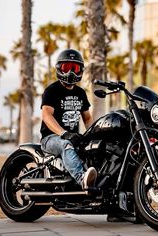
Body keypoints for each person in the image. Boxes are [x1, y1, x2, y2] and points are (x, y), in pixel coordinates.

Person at [40, 49, 97, 192]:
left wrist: (94, 136)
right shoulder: (52, 90)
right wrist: (64, 133)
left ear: (81, 71)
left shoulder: (80, 93)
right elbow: (47, 115)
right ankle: (81, 179)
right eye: (67, 67)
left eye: (75, 68)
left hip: (73, 137)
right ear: (59, 68)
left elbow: (88, 118)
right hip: (51, 138)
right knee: (66, 144)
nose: (71, 72)